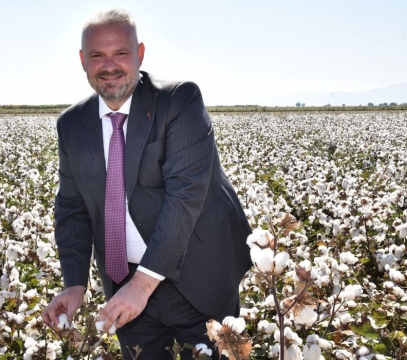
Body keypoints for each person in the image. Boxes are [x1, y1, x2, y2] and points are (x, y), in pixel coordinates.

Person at [41, 8, 253, 359]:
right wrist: (75, 284)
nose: (109, 66)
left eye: (120, 53)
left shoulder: (179, 101)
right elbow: (72, 207)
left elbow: (185, 198)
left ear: (139, 54)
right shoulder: (72, 125)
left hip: (198, 277)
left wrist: (143, 285)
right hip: (124, 283)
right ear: (82, 60)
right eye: (97, 55)